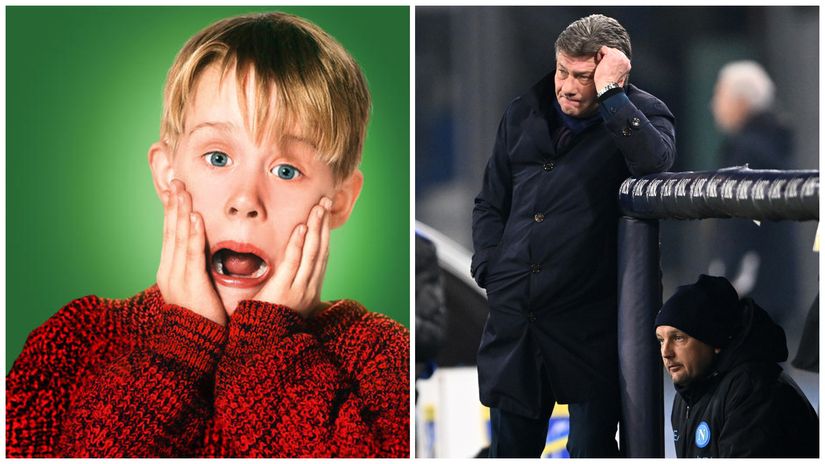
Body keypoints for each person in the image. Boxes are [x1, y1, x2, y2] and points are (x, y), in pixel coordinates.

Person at [6, 13, 409, 458]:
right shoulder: (76, 340)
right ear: (166, 173)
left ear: (340, 201)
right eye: (217, 158)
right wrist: (181, 345)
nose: (245, 199)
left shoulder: (381, 358)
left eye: (287, 170)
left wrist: (269, 349)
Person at [471, 14, 676, 458]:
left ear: (612, 72)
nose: (564, 85)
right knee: (509, 452)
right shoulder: (523, 111)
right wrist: (491, 268)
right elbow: (490, 203)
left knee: (591, 450)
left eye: (582, 76)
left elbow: (655, 165)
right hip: (517, 326)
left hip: (590, 331)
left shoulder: (641, 115)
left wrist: (612, 97)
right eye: (562, 70)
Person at [655, 274, 818, 458]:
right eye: (661, 340)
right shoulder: (688, 394)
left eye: (678, 338)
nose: (666, 352)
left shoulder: (752, 389)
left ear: (714, 340)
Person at [707, 60, 797, 322]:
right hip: (773, 285)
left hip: (751, 289)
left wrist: (729, 277)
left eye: (720, 94)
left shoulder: (748, 151)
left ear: (741, 101)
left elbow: (743, 224)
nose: (714, 104)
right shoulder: (772, 143)